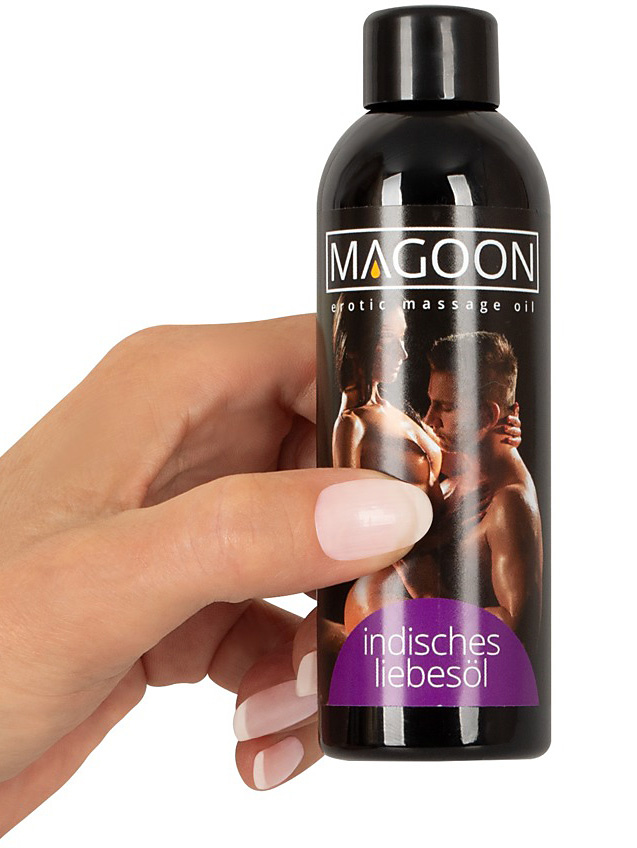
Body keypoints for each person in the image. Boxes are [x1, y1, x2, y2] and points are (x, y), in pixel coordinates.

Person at [0, 315, 434, 833]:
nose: (403, 355)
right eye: (391, 342)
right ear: (364, 347)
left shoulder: (396, 414)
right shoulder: (356, 424)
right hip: (391, 593)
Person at [422, 331, 543, 652]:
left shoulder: (508, 503)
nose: (429, 419)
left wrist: (428, 602)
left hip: (452, 670)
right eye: (431, 403)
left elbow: (519, 629)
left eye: (445, 407)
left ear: (488, 415)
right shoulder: (465, 466)